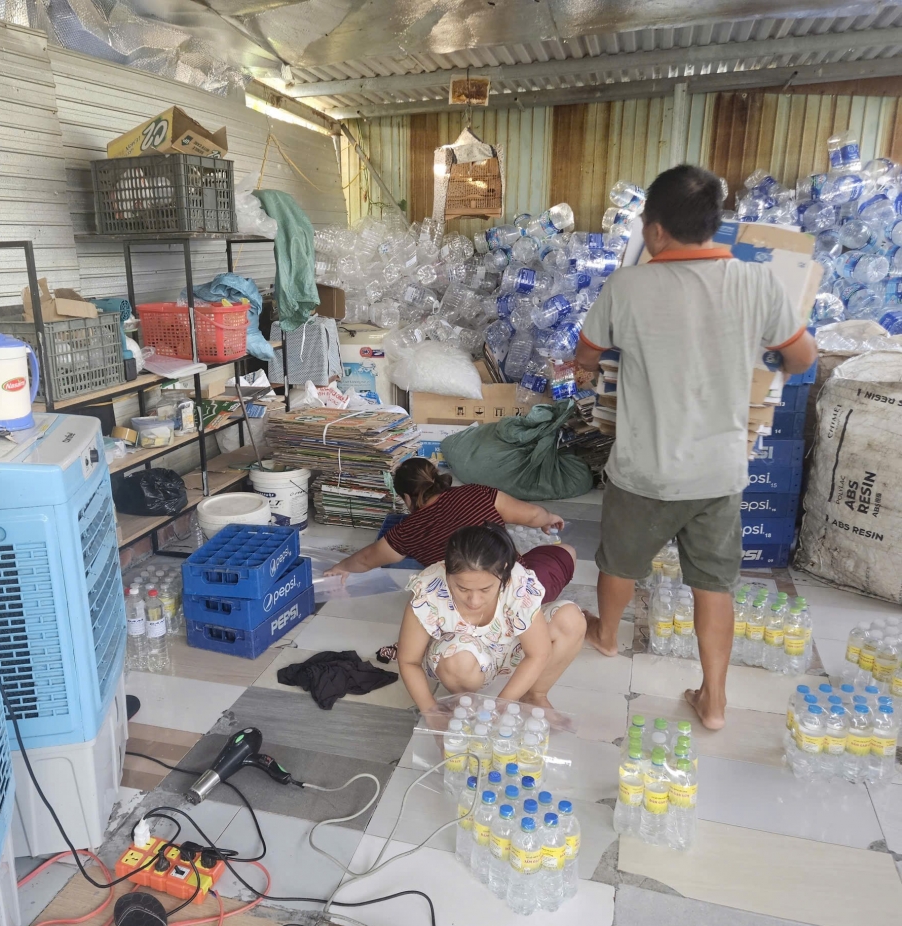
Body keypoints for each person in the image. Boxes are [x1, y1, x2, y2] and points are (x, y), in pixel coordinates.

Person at [575, 164, 818, 731]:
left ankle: (606, 635)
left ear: (656, 230)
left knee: (620, 562)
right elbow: (803, 356)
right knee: (714, 585)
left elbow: (587, 355)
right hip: (719, 471)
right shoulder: (758, 283)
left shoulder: (626, 286)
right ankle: (714, 700)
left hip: (645, 469)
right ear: (714, 223)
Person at [396, 523, 586, 713]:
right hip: (458, 658)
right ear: (446, 570)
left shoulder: (518, 583)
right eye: (462, 588)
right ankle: (462, 698)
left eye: (485, 589)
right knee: (458, 661)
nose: (474, 600)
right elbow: (409, 661)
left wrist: (500, 706)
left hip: (509, 651)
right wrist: (430, 712)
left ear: (504, 571)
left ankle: (535, 694)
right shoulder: (429, 589)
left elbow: (538, 653)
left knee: (571, 619)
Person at [323, 457, 569, 576]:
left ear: (407, 497)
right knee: (564, 552)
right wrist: (549, 518)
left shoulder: (408, 531)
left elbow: (367, 559)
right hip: (510, 592)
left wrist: (341, 567)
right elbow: (532, 515)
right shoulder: (477, 493)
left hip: (463, 602)